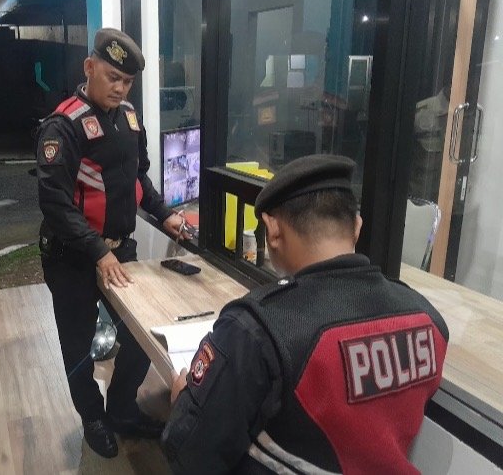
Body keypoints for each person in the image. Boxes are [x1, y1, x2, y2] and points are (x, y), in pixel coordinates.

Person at [162, 154, 449, 474]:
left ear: (272, 230)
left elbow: (191, 453)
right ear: (357, 227)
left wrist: (183, 401)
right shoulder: (429, 321)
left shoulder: (257, 330)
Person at [36, 28, 188, 458]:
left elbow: (137, 177)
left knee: (141, 335)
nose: (120, 88)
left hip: (121, 250)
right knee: (78, 345)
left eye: (128, 81)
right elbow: (55, 203)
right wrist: (97, 251)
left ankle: (121, 409)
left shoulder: (129, 118)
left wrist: (164, 214)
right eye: (112, 77)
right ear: (89, 68)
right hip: (72, 256)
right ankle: (93, 418)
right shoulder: (63, 126)